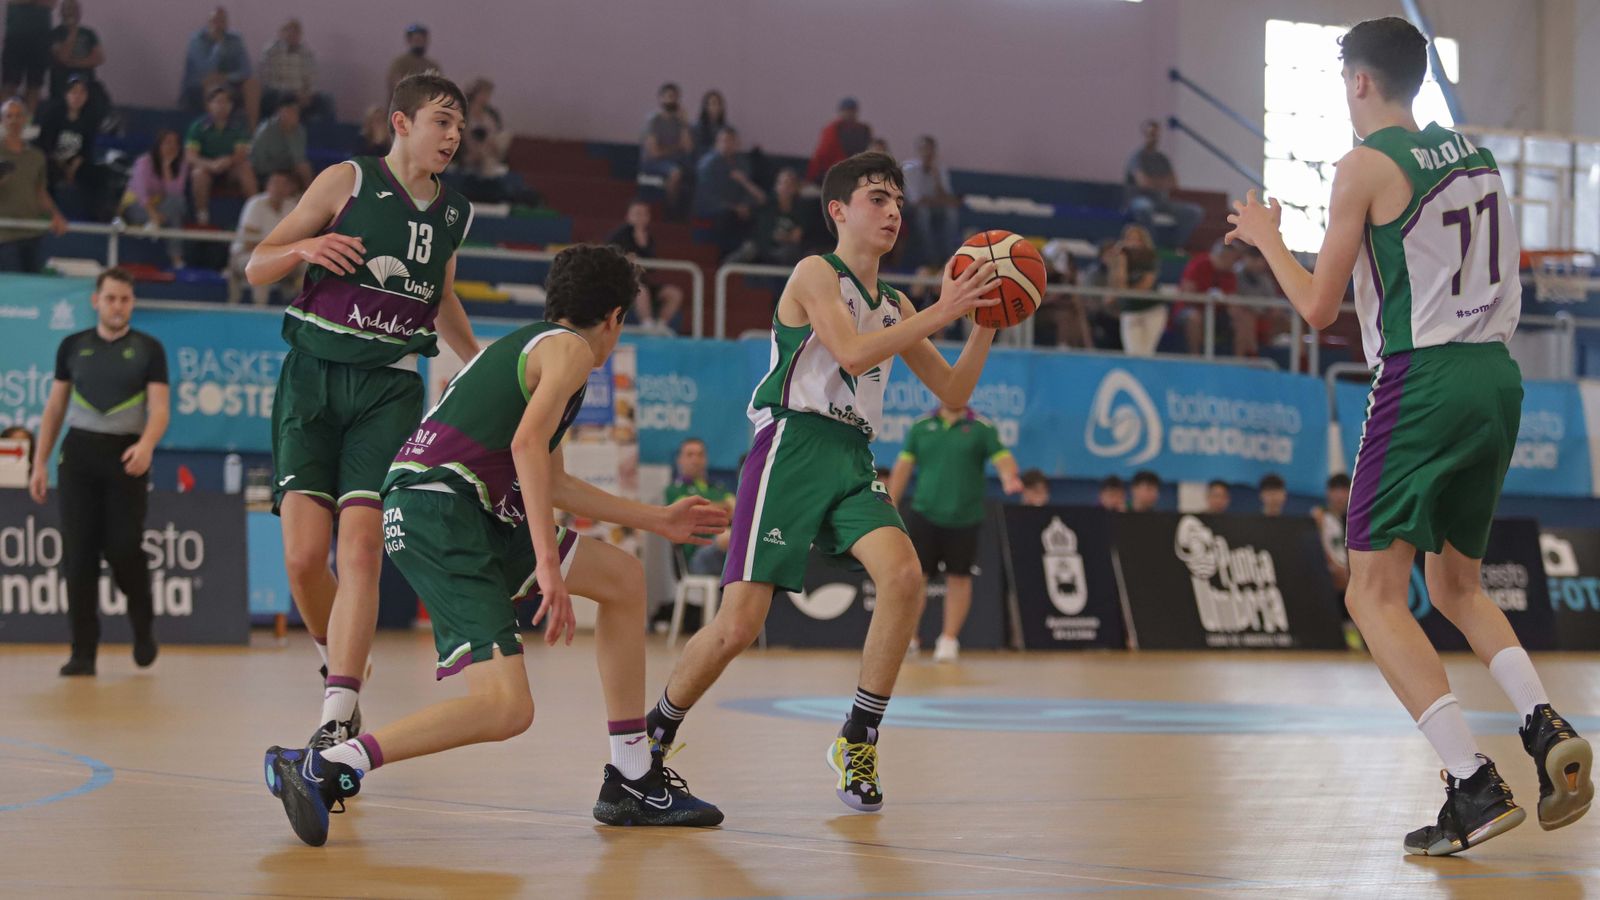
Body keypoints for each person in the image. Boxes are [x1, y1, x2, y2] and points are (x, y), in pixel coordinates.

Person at [1225, 16, 1591, 856]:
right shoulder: (1477, 156)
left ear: (1358, 81)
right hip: (1497, 377)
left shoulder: (1363, 165)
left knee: (1372, 592)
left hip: (1423, 378)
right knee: (1456, 585)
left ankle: (1471, 783)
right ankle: (1543, 724)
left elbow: (1317, 308)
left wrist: (1268, 239)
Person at [264, 244, 727, 845]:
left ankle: (632, 776)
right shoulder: (571, 351)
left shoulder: (530, 347)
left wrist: (657, 519)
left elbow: (554, 481)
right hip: (442, 513)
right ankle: (329, 764)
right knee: (507, 707)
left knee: (622, 579)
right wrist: (548, 568)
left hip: (459, 510)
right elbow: (526, 447)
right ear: (615, 317)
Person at [642, 151, 999, 814]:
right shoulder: (815, 272)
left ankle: (859, 737)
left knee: (904, 577)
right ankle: (650, 740)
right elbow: (853, 353)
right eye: (877, 198)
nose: (892, 211)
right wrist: (945, 309)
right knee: (738, 625)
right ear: (838, 210)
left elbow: (953, 392)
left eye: (898, 201)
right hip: (792, 445)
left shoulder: (895, 303)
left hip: (852, 453)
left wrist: (985, 325)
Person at [246, 73, 483, 763]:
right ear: (401, 123)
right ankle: (340, 663)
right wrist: (305, 248)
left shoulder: (455, 213)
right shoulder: (346, 180)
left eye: (460, 126)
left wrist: (476, 361)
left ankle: (337, 714)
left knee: (360, 549)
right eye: (442, 121)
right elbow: (257, 264)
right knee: (302, 560)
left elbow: (440, 295)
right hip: (312, 381)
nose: (453, 136)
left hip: (389, 389)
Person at [28, 268, 169, 677]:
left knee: (123, 547)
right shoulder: (73, 346)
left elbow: (160, 409)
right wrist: (39, 462)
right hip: (78, 457)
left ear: (132, 302)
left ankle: (142, 623)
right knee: (79, 556)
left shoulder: (149, 349)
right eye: (110, 298)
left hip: (126, 457)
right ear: (96, 301)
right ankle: (82, 652)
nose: (117, 306)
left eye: (124, 299)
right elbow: (55, 407)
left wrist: (146, 445)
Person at [888, 405, 1022, 663]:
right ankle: (910, 638)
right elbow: (903, 466)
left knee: (959, 578)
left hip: (965, 517)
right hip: (924, 512)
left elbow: (1002, 458)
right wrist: (890, 503)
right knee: (916, 577)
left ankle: (948, 640)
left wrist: (1009, 477)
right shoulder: (920, 426)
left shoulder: (982, 428)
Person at [0, 98, 69, 273]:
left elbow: (40, 191)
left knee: (35, 283)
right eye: (9, 116)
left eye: (18, 116)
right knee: (13, 284)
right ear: (2, 120)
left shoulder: (36, 156)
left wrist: (55, 214)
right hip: (4, 233)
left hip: (33, 232)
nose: (14, 121)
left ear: (25, 119)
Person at [606, 198, 685, 330]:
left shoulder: (648, 238)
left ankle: (660, 326)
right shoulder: (617, 236)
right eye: (637, 214)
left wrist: (643, 245)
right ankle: (647, 325)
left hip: (644, 282)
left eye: (644, 214)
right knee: (641, 291)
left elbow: (652, 267)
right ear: (628, 216)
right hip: (622, 285)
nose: (640, 217)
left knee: (674, 293)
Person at [33, 74, 104, 218]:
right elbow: (46, 146)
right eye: (74, 92)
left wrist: (72, 168)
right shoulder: (53, 115)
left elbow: (86, 150)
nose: (78, 97)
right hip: (50, 161)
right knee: (49, 173)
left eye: (82, 92)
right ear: (66, 94)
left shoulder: (89, 119)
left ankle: (95, 216)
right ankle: (49, 213)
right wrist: (62, 167)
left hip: (74, 163)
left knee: (98, 174)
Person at [1125, 119, 1203, 249]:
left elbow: (1174, 183)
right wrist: (1162, 181)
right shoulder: (1137, 157)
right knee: (1144, 208)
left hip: (1161, 201)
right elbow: (1144, 183)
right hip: (1138, 199)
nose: (1153, 138)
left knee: (1194, 212)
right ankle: (1150, 246)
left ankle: (1175, 246)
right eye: (1150, 134)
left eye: (1155, 134)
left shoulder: (1163, 159)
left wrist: (1154, 181)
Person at [186, 86, 257, 226]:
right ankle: (202, 217)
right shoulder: (198, 127)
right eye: (218, 101)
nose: (222, 106)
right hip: (207, 168)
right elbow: (191, 157)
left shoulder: (239, 126)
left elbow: (241, 154)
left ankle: (254, 214)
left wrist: (228, 161)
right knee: (198, 174)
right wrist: (211, 164)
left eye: (226, 102)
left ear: (231, 106)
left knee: (246, 169)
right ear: (209, 105)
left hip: (230, 168)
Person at [179, 6, 260, 130]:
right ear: (208, 23)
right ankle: (212, 130)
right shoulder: (197, 40)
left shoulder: (235, 40)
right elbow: (205, 70)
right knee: (212, 80)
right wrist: (218, 46)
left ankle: (252, 132)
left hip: (228, 82)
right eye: (215, 21)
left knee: (252, 84)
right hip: (198, 86)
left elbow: (246, 70)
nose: (218, 24)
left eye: (222, 21)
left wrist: (226, 77)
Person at [664, 437, 735, 576]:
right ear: (680, 460)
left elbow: (738, 510)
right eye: (690, 455)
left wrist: (711, 509)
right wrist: (724, 508)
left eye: (700, 455)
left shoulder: (718, 488)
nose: (695, 460)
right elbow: (693, 513)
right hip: (696, 556)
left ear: (706, 459)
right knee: (729, 537)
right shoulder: (674, 490)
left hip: (726, 551)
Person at [228, 170, 301, 305]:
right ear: (268, 186)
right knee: (263, 266)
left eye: (284, 184)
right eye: (275, 183)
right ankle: (260, 309)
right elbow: (250, 244)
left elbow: (297, 239)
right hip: (246, 255)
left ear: (290, 188)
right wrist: (277, 254)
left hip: (280, 256)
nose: (279, 188)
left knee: (307, 266)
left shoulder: (292, 206)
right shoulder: (255, 204)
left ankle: (302, 309)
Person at [693, 126, 765, 259]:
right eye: (724, 141)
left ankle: (749, 255)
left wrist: (745, 205)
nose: (727, 144)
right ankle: (724, 259)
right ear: (717, 143)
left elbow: (748, 191)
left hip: (738, 208)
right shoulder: (708, 164)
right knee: (726, 217)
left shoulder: (742, 163)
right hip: (714, 209)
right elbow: (707, 194)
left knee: (756, 215)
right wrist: (732, 207)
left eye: (731, 141)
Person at [1091, 224, 1162, 356]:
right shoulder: (1120, 258)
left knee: (1147, 352)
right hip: (1130, 310)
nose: (1133, 243)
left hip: (1151, 309)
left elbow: (1145, 286)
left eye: (1137, 239)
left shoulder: (1150, 258)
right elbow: (1116, 286)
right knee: (1132, 352)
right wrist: (1120, 263)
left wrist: (1124, 293)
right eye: (1129, 239)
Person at [122, 129, 189, 269]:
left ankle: (176, 259)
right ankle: (177, 259)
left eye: (175, 144)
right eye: (167, 143)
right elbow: (141, 193)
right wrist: (153, 215)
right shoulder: (144, 162)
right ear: (159, 145)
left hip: (162, 208)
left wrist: (166, 167)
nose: (171, 147)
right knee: (175, 217)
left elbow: (175, 193)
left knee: (177, 204)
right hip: (137, 206)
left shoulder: (181, 164)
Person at [901, 136, 961, 268]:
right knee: (924, 213)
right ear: (918, 151)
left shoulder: (940, 169)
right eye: (924, 149)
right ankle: (931, 259)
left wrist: (936, 179)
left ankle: (949, 256)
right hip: (911, 208)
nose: (927, 153)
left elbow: (947, 197)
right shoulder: (909, 169)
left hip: (934, 206)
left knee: (951, 212)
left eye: (930, 149)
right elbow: (916, 200)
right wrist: (939, 200)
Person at [259, 18, 333, 121]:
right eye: (289, 31)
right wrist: (294, 93)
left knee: (326, 99)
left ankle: (326, 130)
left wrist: (307, 93)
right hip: (280, 92)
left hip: (302, 93)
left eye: (296, 32)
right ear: (281, 33)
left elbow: (311, 78)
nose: (293, 35)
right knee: (282, 96)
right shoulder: (272, 51)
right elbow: (268, 79)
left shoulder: (307, 52)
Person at [1178, 239, 1242, 355]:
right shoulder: (1199, 264)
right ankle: (1195, 356)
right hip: (1190, 308)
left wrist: (1228, 304)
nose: (1234, 262)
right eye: (1233, 258)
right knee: (1194, 317)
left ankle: (1240, 357)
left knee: (1240, 315)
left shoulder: (1230, 273)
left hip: (1217, 312)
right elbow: (1187, 295)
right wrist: (1207, 297)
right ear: (1224, 256)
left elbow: (1231, 297)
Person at [639, 82, 693, 216]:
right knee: (675, 173)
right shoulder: (654, 121)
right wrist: (676, 147)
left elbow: (688, 148)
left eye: (674, 97)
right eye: (668, 96)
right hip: (653, 163)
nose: (671, 100)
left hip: (675, 161)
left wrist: (685, 124)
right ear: (661, 99)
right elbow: (655, 153)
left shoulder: (679, 121)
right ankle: (671, 211)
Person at [49, 0, 109, 116]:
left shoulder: (89, 33)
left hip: (86, 80)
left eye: (74, 9)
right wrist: (73, 32)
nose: (72, 12)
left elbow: (99, 58)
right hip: (61, 82)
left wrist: (74, 62)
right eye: (68, 9)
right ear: (61, 12)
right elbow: (62, 57)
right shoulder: (55, 33)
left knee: (99, 95)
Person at [2, 0, 54, 111]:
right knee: (9, 84)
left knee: (34, 86)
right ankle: (5, 119)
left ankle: (29, 121)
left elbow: (51, 3)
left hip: (40, 39)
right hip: (16, 37)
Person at [806, 98, 872, 183]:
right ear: (840, 112)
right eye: (846, 110)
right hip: (831, 172)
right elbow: (822, 154)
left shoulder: (864, 130)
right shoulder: (831, 129)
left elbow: (867, 152)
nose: (849, 113)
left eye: (852, 110)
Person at [249, 100, 312, 187]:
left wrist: (290, 135)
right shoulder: (266, 131)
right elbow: (259, 162)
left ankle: (312, 192)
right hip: (265, 172)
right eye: (289, 112)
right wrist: (279, 171)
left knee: (304, 167)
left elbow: (299, 158)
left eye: (295, 112)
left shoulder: (299, 131)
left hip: (288, 169)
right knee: (280, 181)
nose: (292, 116)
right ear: (280, 112)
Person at [1314, 473, 1352, 593]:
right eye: (1335, 490)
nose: (1339, 496)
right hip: (1329, 583)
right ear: (1328, 493)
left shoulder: (1352, 520)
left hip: (1349, 583)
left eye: (1344, 491)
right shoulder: (1320, 517)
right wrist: (1336, 568)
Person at [386, 23, 439, 97]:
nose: (419, 43)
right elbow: (395, 84)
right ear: (409, 41)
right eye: (416, 40)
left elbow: (439, 87)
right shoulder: (400, 63)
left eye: (422, 40)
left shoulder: (432, 65)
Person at [693, 89, 728, 157]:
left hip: (722, 159)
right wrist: (715, 148)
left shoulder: (726, 127)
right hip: (703, 159)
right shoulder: (697, 127)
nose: (717, 107)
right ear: (706, 106)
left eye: (719, 104)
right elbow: (697, 150)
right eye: (713, 103)